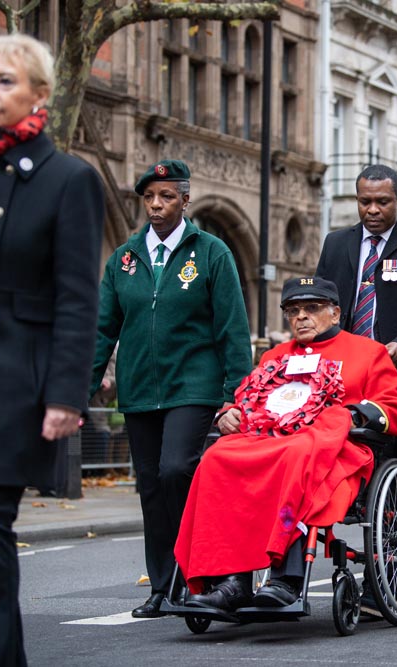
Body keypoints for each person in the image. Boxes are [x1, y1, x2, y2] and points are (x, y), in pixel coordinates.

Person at [0, 34, 104, 665]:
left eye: (4, 80)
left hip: (14, 385)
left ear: (39, 93)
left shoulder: (66, 180)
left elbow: (75, 297)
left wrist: (67, 394)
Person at [174, 276, 397, 611]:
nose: (301, 317)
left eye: (312, 308)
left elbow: (396, 410)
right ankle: (231, 581)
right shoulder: (275, 355)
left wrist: (356, 415)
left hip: (334, 451)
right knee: (217, 457)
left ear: (335, 313)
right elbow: (248, 399)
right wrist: (228, 413)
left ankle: (286, 577)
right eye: (293, 310)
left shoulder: (368, 353)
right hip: (269, 444)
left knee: (297, 456)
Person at [90, 159, 252, 618]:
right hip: (140, 390)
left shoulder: (212, 252)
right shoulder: (124, 258)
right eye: (149, 198)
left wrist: (234, 394)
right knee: (150, 488)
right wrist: (82, 389)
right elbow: (104, 328)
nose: (156, 206)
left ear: (185, 200)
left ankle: (199, 568)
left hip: (194, 388)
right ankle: (164, 586)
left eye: (166, 197)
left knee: (175, 470)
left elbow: (233, 331)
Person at [316, 164, 397, 474]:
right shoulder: (335, 244)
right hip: (341, 378)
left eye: (383, 202)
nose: (372, 210)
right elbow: (320, 305)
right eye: (365, 202)